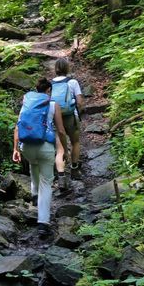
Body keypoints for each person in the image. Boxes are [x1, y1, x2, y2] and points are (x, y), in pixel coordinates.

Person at [13, 77, 67, 239]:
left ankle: (34, 194)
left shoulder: (27, 103)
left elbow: (18, 127)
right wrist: (64, 149)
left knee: (33, 163)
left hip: (27, 146)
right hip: (45, 147)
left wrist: (15, 148)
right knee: (46, 183)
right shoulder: (53, 105)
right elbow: (61, 131)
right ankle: (43, 223)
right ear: (48, 90)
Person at [50, 58, 84, 189]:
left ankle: (61, 177)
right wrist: (78, 112)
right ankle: (74, 169)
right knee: (75, 142)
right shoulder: (72, 82)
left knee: (60, 148)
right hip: (70, 116)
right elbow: (79, 102)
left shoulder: (50, 84)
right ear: (67, 68)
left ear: (56, 69)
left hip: (56, 117)